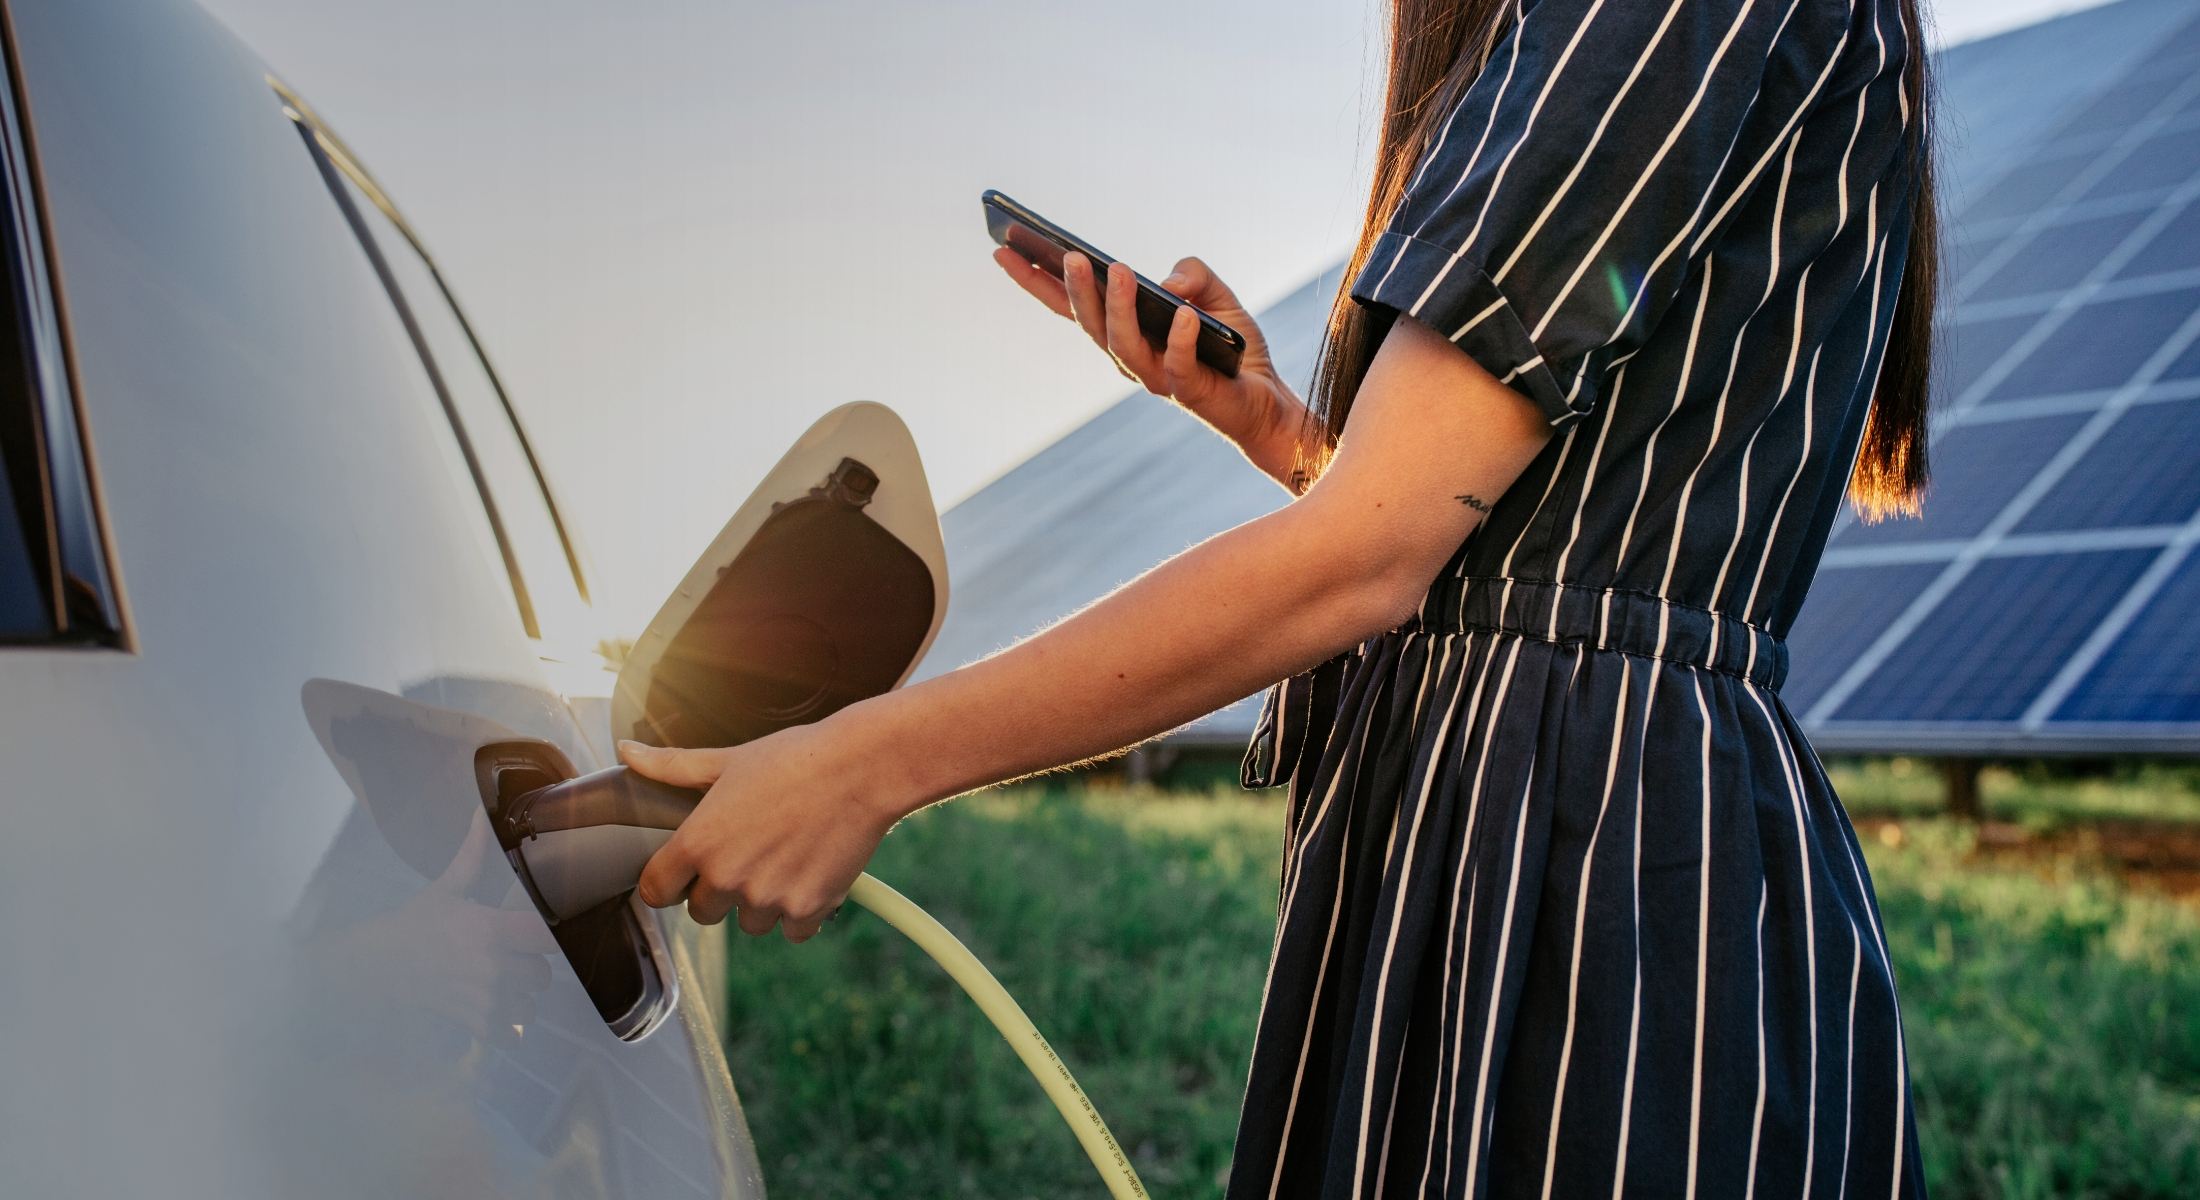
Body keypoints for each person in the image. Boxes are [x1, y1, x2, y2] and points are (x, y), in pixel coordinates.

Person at [624, 0, 1937, 1192]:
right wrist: (1281, 433)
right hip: (1604, 820)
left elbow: (1375, 560)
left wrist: (861, 766)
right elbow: (1532, 538)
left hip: (1576, 853)